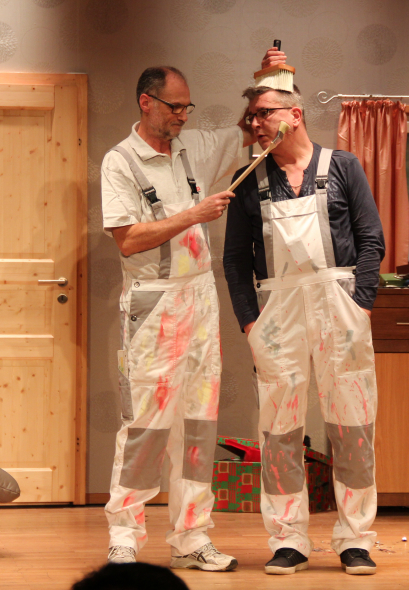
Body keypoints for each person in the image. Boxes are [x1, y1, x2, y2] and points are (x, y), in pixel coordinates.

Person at [222, 54, 386, 576]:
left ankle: (355, 539)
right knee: (279, 430)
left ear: (294, 115)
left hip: (339, 303)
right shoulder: (248, 179)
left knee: (353, 423)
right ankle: (288, 538)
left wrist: (360, 303)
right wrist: (251, 322)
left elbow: (371, 239)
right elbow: (234, 260)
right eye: (251, 117)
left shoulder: (343, 167)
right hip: (278, 311)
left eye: (264, 113)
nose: (255, 123)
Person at [100, 59, 265, 572]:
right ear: (145, 102)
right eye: (174, 107)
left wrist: (265, 81)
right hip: (153, 303)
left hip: (199, 299)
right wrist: (194, 214)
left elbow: (248, 130)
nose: (183, 116)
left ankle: (192, 536)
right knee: (144, 425)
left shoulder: (193, 146)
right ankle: (124, 535)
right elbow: (128, 240)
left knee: (198, 424)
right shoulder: (120, 161)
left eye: (187, 107)